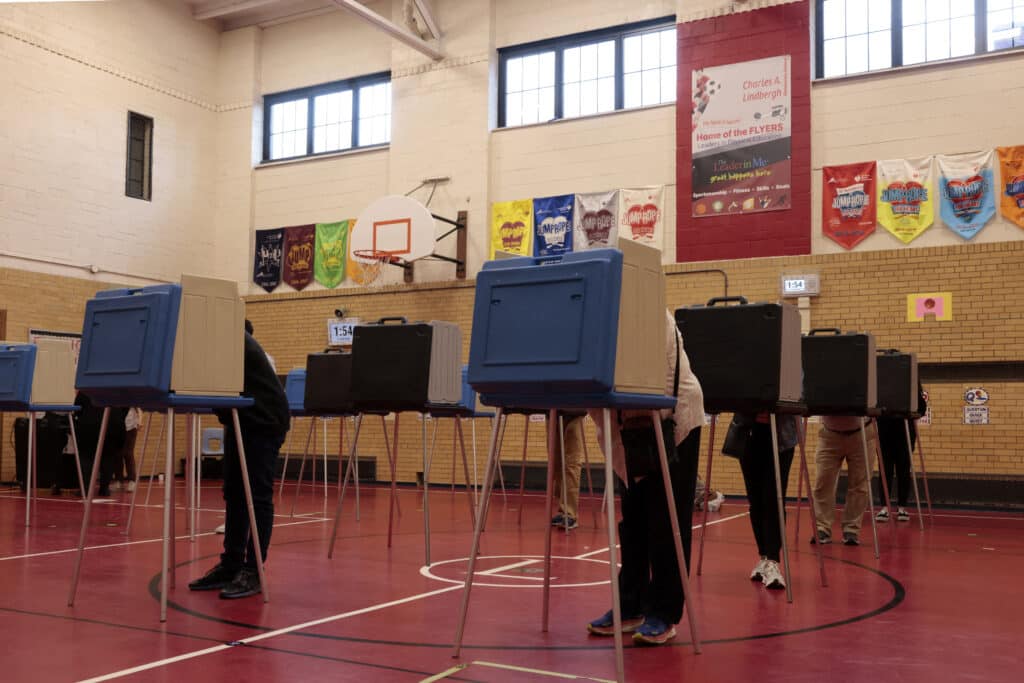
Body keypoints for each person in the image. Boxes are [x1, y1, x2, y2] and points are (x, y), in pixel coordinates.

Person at [586, 311, 703, 646]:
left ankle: (664, 613)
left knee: (666, 520)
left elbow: (658, 388)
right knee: (633, 520)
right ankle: (631, 606)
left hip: (672, 421)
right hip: (628, 428)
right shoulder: (601, 319)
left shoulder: (652, 315)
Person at [188, 323, 290, 599]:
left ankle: (253, 570)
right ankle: (231, 564)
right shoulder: (221, 338)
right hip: (241, 418)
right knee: (234, 492)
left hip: (264, 419)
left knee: (256, 496)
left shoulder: (227, 338)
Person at [723, 412, 798, 589]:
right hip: (748, 433)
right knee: (755, 500)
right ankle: (764, 557)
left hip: (780, 436)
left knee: (774, 499)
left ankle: (773, 561)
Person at [811, 415, 878, 545]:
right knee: (823, 482)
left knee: (860, 485)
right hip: (829, 433)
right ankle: (822, 528)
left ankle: (851, 529)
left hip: (862, 432)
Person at [876, 386, 927, 522]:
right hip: (884, 433)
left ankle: (902, 507)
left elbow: (922, 408)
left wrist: (912, 413)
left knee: (903, 471)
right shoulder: (880, 385)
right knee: (885, 470)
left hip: (905, 433)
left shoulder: (911, 385)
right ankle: (884, 507)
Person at [73, 393, 127, 498]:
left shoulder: (85, 390)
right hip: (112, 424)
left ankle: (86, 489)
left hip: (89, 426)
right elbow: (125, 407)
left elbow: (77, 409)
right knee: (108, 457)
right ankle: (104, 488)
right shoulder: (116, 389)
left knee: (87, 458)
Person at [551, 413, 585, 530]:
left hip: (575, 408)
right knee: (556, 461)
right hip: (552, 409)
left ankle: (570, 512)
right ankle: (563, 510)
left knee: (572, 460)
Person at [110, 407, 141, 492]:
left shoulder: (131, 396)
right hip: (117, 426)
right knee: (117, 454)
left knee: (128, 453)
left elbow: (139, 408)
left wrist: (140, 421)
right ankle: (119, 481)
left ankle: (132, 481)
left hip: (130, 426)